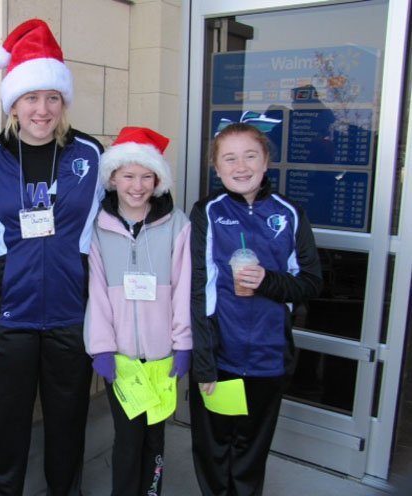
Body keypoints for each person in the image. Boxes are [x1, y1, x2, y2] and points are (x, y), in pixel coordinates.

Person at [0, 18, 104, 495]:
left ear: (63, 102)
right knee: (5, 422)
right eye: (32, 98)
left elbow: (126, 206)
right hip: (10, 310)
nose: (42, 108)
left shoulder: (91, 154)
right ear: (14, 103)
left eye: (52, 97)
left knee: (68, 418)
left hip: (70, 312)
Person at [189, 122, 323, 496]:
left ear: (266, 162)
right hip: (222, 358)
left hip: (269, 358)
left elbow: (311, 282)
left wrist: (267, 281)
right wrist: (204, 363)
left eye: (250, 155)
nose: (241, 166)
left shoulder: (290, 213)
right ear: (217, 168)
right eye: (229, 158)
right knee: (214, 450)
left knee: (250, 451)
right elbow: (197, 292)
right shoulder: (207, 212)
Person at [84, 127, 192, 495]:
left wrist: (183, 344)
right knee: (127, 439)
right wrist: (101, 347)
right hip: (122, 359)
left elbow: (183, 290)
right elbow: (96, 291)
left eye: (147, 176)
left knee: (154, 440)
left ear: (158, 180)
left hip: (162, 357)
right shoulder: (98, 227)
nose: (137, 185)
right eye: (128, 175)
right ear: (113, 177)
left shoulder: (177, 225)